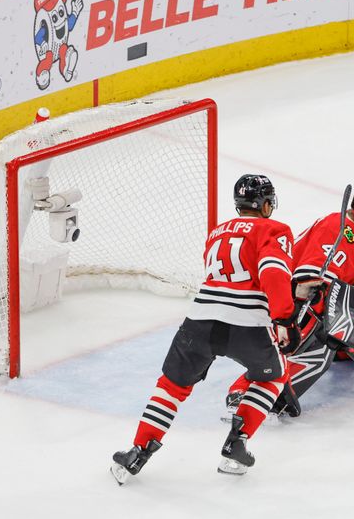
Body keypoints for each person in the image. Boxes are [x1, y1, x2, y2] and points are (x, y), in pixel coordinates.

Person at [110, 174, 300, 482]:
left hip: (200, 319)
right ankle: (236, 443)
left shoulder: (217, 233)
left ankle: (137, 452)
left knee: (171, 386)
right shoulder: (274, 229)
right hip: (247, 323)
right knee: (275, 376)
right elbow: (273, 272)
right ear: (266, 205)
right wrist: (284, 318)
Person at [225, 185, 354, 417]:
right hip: (287, 298)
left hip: (318, 299)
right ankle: (246, 391)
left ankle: (326, 349)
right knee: (316, 348)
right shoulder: (336, 227)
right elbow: (309, 281)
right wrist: (323, 323)